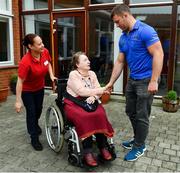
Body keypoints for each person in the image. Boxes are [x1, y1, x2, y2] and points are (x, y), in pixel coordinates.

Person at [105, 4, 164, 161]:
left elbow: (159, 54)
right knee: (130, 111)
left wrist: (153, 81)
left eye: (117, 22)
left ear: (125, 15)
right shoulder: (124, 37)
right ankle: (138, 138)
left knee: (142, 115)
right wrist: (110, 83)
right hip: (133, 80)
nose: (117, 26)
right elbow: (119, 62)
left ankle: (140, 146)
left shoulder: (146, 30)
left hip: (146, 80)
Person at [64, 51, 114, 167]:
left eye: (88, 59)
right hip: (74, 103)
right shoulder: (73, 75)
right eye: (85, 60)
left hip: (89, 102)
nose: (89, 61)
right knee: (85, 117)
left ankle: (103, 147)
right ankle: (87, 152)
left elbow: (96, 90)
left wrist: (94, 96)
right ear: (77, 64)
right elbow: (81, 91)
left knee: (100, 114)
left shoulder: (92, 74)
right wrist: (101, 90)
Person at [15, 33, 56, 151]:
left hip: (39, 88)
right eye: (39, 44)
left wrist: (52, 75)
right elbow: (19, 82)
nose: (42, 45)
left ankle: (34, 124)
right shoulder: (25, 62)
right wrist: (18, 101)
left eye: (42, 42)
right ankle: (34, 138)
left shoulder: (45, 52)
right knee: (32, 112)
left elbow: (48, 63)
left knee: (38, 109)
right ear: (30, 46)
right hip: (27, 91)